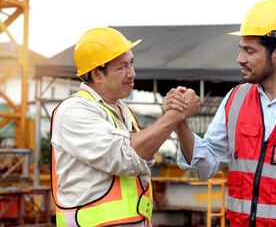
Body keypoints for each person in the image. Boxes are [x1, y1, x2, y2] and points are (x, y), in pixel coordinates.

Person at [164, 0, 276, 226]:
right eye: (241, 49)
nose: (240, 59)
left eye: (249, 51)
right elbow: (204, 166)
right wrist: (180, 119)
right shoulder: (235, 98)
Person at [50, 27, 199, 227]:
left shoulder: (123, 111)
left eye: (132, 63)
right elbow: (126, 157)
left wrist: (173, 115)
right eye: (122, 67)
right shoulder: (74, 111)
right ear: (97, 74)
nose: (132, 73)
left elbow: (139, 154)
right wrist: (176, 113)